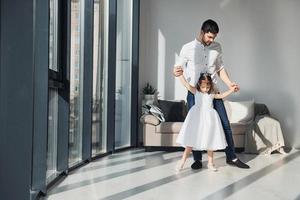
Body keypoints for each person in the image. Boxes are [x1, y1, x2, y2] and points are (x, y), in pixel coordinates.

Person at [173, 19, 250, 169]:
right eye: (209, 37)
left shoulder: (217, 47)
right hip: (195, 93)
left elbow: (220, 68)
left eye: (214, 37)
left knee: (225, 125)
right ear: (202, 32)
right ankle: (197, 160)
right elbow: (178, 68)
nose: (211, 40)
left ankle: (232, 157)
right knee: (195, 126)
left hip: (213, 91)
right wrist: (177, 74)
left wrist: (230, 84)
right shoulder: (187, 48)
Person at [176, 73, 235, 171]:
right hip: (196, 118)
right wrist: (180, 75)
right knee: (191, 140)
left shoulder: (211, 94)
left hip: (209, 119)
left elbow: (221, 95)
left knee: (210, 140)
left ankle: (210, 163)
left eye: (208, 87)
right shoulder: (195, 91)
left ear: (210, 85)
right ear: (199, 85)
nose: (205, 89)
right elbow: (186, 84)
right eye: (203, 87)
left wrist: (231, 90)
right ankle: (182, 161)